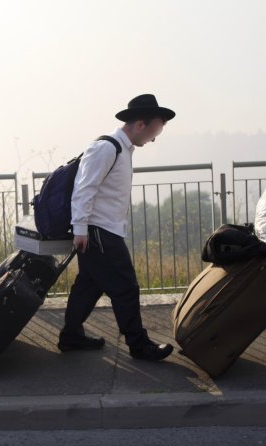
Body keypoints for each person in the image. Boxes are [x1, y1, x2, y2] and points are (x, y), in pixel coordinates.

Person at [58, 94, 176, 362]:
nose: (154, 138)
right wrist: (80, 229)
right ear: (140, 125)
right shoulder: (107, 148)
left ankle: (70, 336)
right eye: (155, 131)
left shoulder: (121, 149)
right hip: (99, 232)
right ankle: (139, 345)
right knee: (126, 288)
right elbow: (84, 188)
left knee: (88, 286)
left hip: (100, 230)